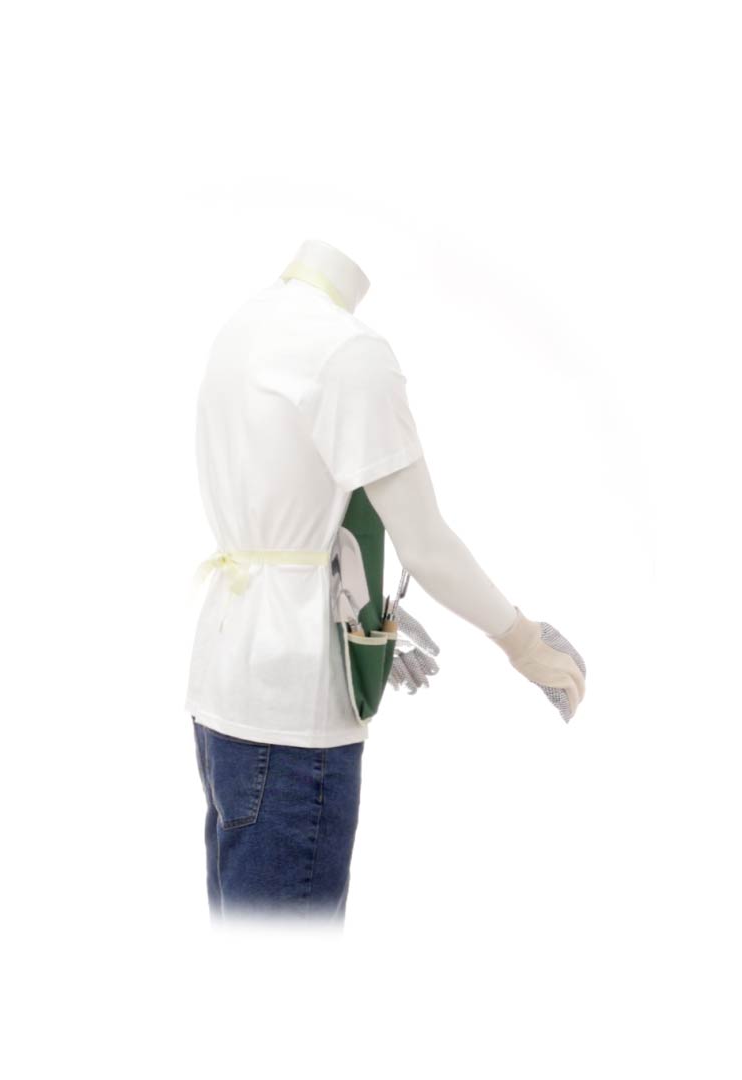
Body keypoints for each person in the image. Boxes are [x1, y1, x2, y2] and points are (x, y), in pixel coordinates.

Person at [187, 239, 587, 925]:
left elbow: (290, 513)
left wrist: (362, 612)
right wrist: (524, 642)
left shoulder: (243, 327)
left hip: (224, 688)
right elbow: (425, 545)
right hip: (295, 709)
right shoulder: (347, 351)